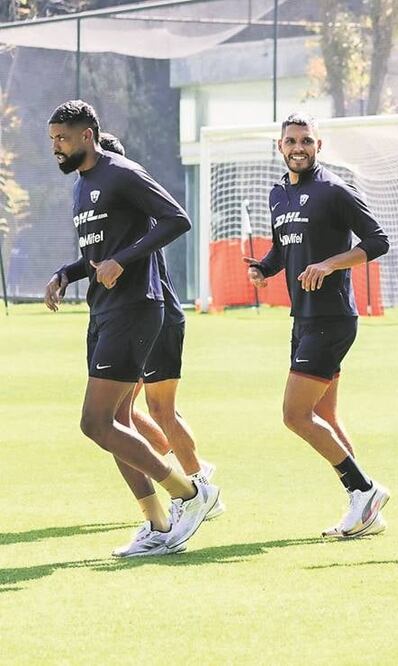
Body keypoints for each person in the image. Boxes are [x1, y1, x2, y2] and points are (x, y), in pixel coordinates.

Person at [44, 100, 219, 557]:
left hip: (136, 307)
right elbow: (96, 256)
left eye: (63, 138)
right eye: (53, 139)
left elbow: (177, 219)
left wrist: (122, 261)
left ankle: (191, 493)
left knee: (95, 422)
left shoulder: (122, 172)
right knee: (117, 422)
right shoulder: (82, 186)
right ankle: (158, 524)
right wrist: (65, 274)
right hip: (103, 310)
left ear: (87, 135)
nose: (56, 147)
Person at [244, 113, 390, 538]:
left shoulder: (334, 191)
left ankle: (365, 491)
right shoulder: (278, 195)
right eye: (291, 141)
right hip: (303, 318)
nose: (298, 148)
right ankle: (364, 508)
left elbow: (378, 241)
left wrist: (330, 264)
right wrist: (264, 269)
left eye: (306, 141)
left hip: (332, 317)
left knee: (295, 415)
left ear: (318, 146)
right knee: (324, 415)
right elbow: (282, 249)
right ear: (280, 147)